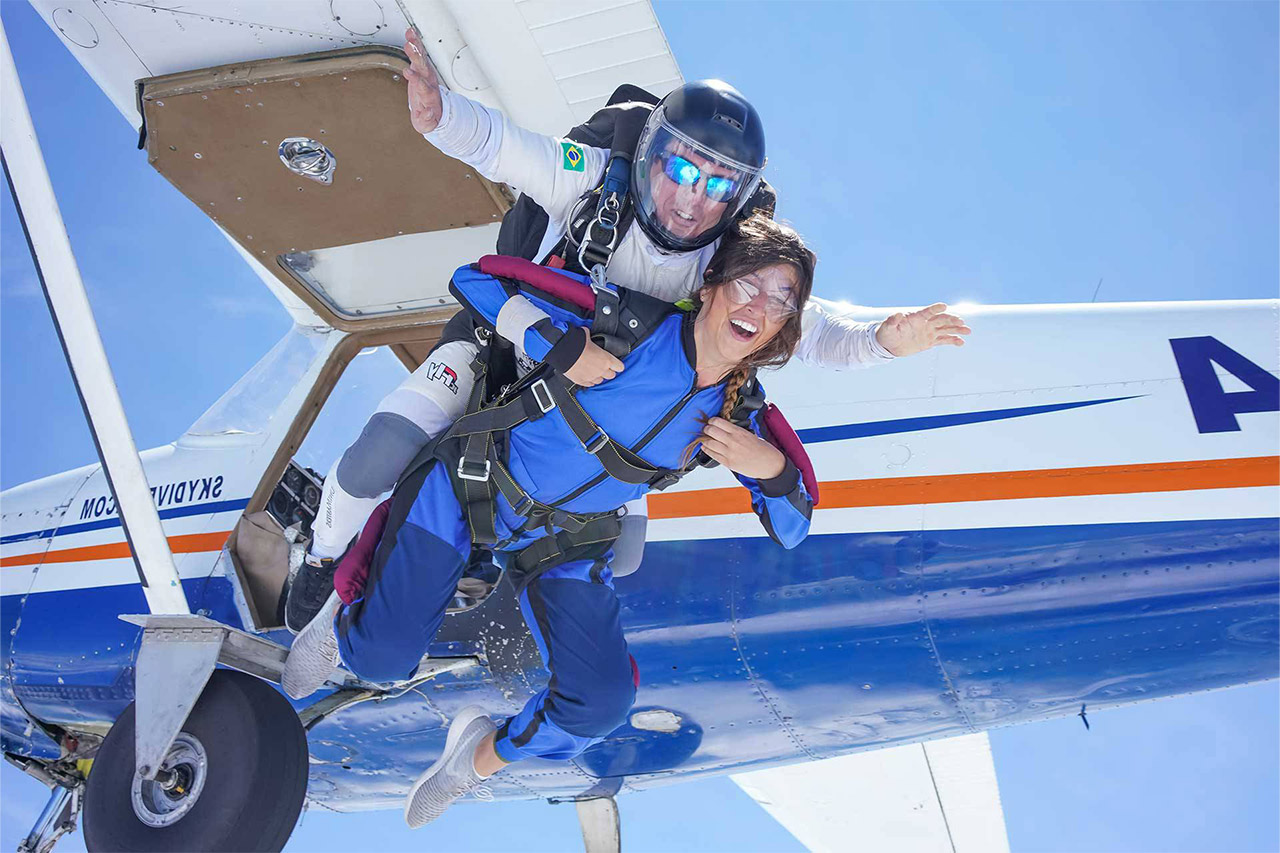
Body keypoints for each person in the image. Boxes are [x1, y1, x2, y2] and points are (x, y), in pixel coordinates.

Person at [282, 28, 970, 632]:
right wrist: (440, 118)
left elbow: (809, 331)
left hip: (591, 403)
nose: (692, 200)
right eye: (680, 169)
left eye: (717, 187)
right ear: (650, 152)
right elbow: (504, 148)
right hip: (508, 347)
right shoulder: (593, 180)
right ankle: (321, 553)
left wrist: (887, 339)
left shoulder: (727, 257)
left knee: (615, 534)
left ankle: (479, 577)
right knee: (385, 450)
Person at [282, 215, 817, 827]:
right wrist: (558, 346)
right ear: (711, 284)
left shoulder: (740, 413)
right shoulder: (628, 323)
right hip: (473, 484)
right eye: (750, 282)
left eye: (782, 299)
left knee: (601, 703)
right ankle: (338, 617)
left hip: (564, 538)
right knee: (381, 662)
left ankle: (472, 761)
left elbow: (794, 525)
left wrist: (769, 468)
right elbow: (477, 280)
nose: (761, 304)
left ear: (783, 326)